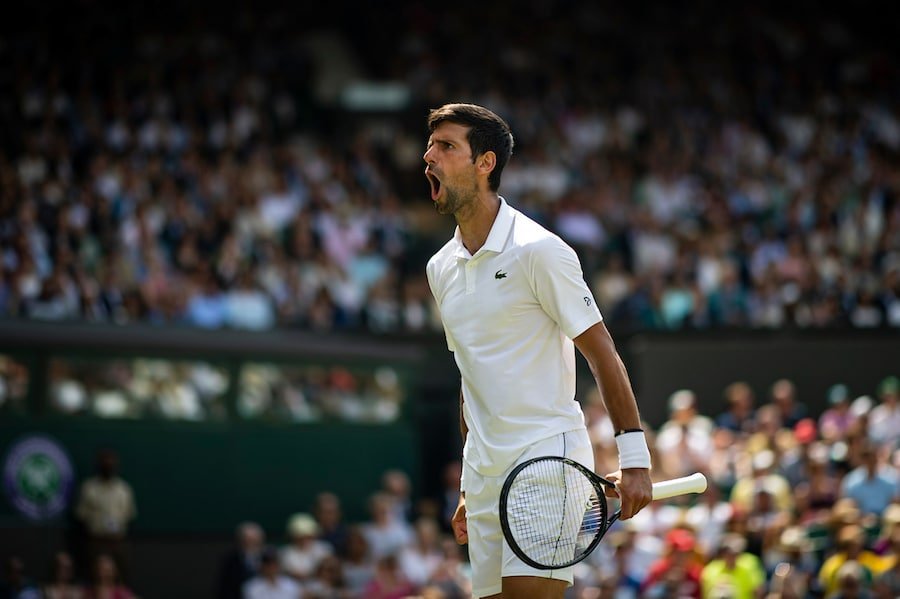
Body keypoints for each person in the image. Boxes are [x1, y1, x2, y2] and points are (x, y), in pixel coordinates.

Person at [423, 102, 652, 599]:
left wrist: (635, 461)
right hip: (483, 476)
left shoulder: (540, 250)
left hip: (545, 461)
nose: (428, 157)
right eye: (430, 145)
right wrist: (468, 482)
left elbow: (603, 354)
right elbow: (471, 376)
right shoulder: (439, 268)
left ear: (485, 164)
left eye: (446, 147)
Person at [74, 449, 137, 585]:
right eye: (105, 463)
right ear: (99, 465)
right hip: (96, 542)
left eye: (111, 464)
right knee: (92, 578)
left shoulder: (124, 489)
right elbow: (81, 517)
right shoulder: (89, 487)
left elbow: (130, 516)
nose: (108, 466)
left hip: (117, 541)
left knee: (121, 579)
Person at [214, 521, 266, 599]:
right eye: (248, 540)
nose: (251, 544)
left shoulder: (268, 558)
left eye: (255, 541)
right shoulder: (230, 560)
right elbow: (224, 587)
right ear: (241, 541)